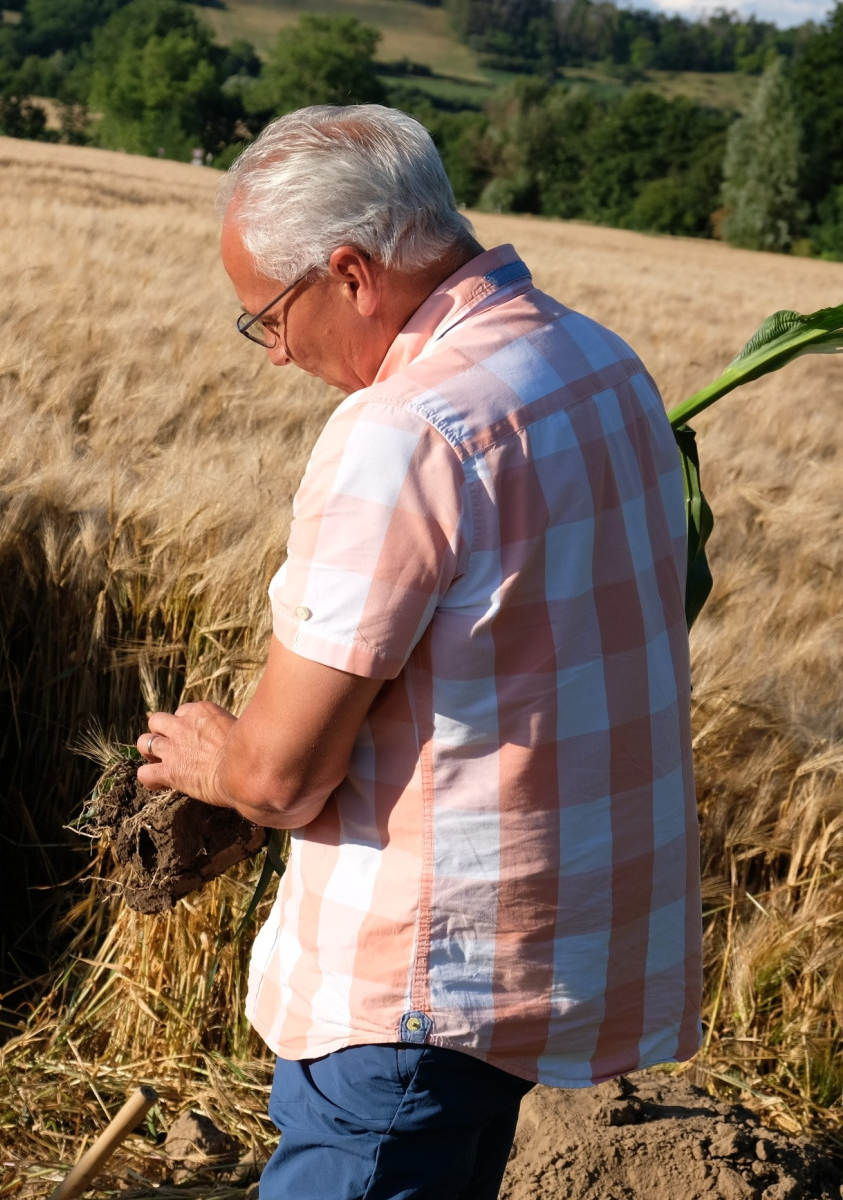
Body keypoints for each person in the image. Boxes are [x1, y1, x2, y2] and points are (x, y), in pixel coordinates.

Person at [137, 104, 702, 1200]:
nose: (276, 355)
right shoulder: (601, 364)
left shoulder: (406, 432)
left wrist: (212, 758)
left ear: (349, 274)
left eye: (267, 318)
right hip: (534, 962)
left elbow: (281, 776)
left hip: (407, 996)